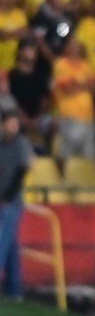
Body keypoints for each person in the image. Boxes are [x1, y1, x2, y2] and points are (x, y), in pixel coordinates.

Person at [0, 111, 33, 302]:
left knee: (3, 241)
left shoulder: (22, 144)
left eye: (15, 124)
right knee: (11, 245)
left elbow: (22, 172)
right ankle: (15, 290)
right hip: (2, 199)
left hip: (12, 201)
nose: (13, 127)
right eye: (10, 123)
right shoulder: (1, 144)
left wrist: (7, 197)